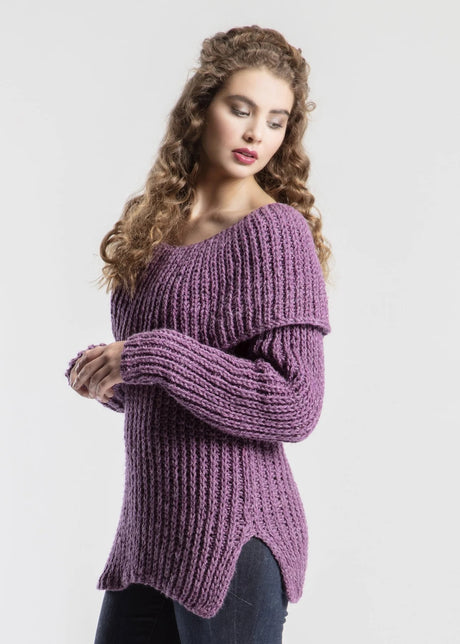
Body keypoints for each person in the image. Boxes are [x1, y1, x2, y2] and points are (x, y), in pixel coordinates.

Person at [65, 24, 332, 644]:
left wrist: (152, 356)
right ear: (201, 108)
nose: (255, 133)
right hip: (151, 530)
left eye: (275, 121)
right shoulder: (153, 226)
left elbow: (294, 403)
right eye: (241, 109)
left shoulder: (275, 233)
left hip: (235, 533)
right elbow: (177, 389)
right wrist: (109, 374)